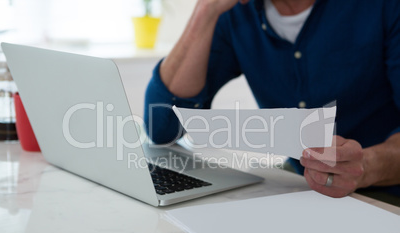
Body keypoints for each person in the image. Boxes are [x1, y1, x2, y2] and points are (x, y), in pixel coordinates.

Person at [143, 0, 400, 198]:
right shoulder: (235, 14)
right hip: (299, 187)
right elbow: (163, 126)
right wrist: (204, 11)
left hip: (386, 195)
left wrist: (366, 166)